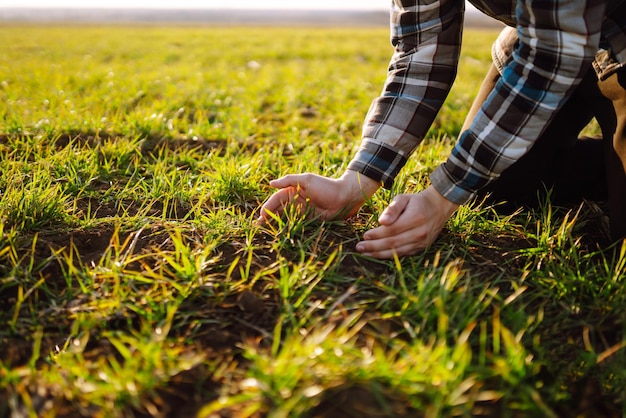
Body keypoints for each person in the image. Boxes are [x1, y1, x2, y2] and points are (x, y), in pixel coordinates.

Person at [259, 0, 626, 260]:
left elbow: (552, 56)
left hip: (615, 41)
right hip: (536, 38)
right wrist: (356, 182)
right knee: (492, 187)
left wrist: (442, 196)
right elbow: (420, 53)